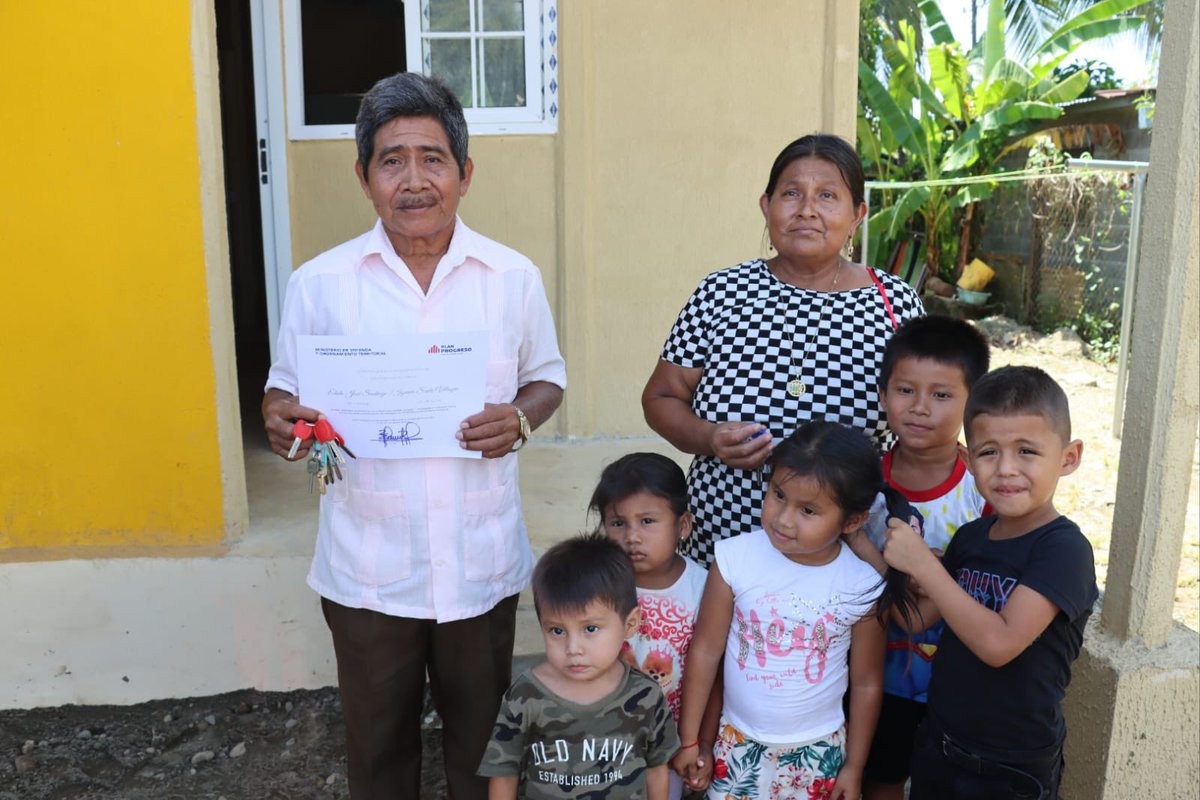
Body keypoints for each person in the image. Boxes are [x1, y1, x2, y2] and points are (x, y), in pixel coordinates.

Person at [261, 73, 566, 800]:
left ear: (465, 173)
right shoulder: (319, 285)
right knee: (377, 754)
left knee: (485, 753)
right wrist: (281, 420)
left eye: (432, 158)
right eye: (392, 160)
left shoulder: (511, 278)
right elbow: (282, 391)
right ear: (364, 177)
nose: (414, 179)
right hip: (368, 567)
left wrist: (520, 417)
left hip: (479, 560)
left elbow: (547, 379)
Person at [642, 133, 925, 566]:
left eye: (827, 196)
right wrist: (710, 437)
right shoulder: (722, 293)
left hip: (846, 555)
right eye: (791, 193)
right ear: (766, 206)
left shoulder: (895, 304)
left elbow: (932, 412)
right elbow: (661, 397)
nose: (807, 209)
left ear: (857, 216)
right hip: (723, 544)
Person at [883, 366, 1097, 799]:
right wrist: (885, 560)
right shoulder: (972, 538)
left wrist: (926, 568)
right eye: (988, 452)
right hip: (939, 746)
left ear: (1068, 458)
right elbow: (914, 621)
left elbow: (999, 644)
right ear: (968, 460)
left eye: (1026, 452)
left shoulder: (1064, 550)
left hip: (1010, 768)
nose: (1005, 470)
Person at [673, 421, 914, 800]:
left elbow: (867, 682)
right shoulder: (735, 560)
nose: (784, 518)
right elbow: (705, 653)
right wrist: (690, 741)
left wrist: (853, 766)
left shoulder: (860, 584)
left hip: (818, 754)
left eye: (809, 510)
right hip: (735, 745)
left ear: (852, 521)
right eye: (778, 495)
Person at [841, 316, 991, 800]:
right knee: (878, 779)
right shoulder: (863, 484)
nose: (921, 408)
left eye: (942, 395)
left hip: (957, 682)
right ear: (883, 396)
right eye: (905, 390)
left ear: (974, 403)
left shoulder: (986, 488)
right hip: (872, 678)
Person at [479, 533, 680, 799]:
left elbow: (657, 769)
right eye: (557, 631)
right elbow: (504, 774)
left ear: (630, 624)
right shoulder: (525, 696)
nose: (573, 648)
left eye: (590, 628)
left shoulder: (645, 696)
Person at [590, 452, 713, 798]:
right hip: (603, 739)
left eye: (647, 521)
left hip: (670, 742)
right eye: (618, 523)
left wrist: (698, 742)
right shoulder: (598, 585)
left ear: (683, 525)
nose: (632, 536)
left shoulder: (703, 588)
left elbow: (712, 674)